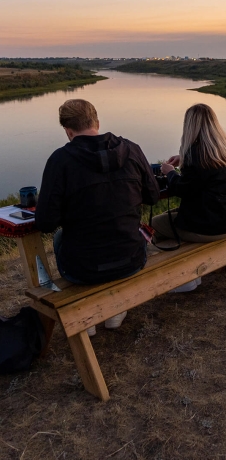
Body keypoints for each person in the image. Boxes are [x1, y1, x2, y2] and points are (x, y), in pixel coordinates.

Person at [35, 99, 160, 333]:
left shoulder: (60, 160)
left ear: (68, 131)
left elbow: (45, 223)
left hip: (83, 269)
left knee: (61, 238)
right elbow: (153, 196)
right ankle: (115, 310)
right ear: (97, 122)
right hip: (131, 259)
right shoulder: (132, 149)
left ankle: (87, 318)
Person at [152, 103, 226, 250]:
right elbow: (207, 173)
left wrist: (169, 172)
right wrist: (182, 157)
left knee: (154, 223)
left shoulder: (195, 156)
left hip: (211, 229)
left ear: (190, 126)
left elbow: (181, 190)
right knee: (170, 214)